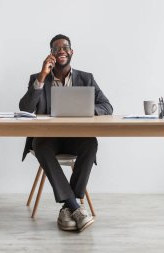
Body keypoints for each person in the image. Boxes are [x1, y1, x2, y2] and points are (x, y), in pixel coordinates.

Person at [19, 34, 113, 232]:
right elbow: (26, 109)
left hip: (75, 137)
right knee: (40, 146)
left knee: (91, 143)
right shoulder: (37, 78)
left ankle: (68, 206)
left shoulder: (86, 78)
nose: (61, 50)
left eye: (65, 47)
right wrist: (42, 76)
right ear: (51, 54)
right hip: (47, 138)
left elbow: (107, 106)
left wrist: (88, 110)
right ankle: (76, 207)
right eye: (56, 48)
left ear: (71, 52)